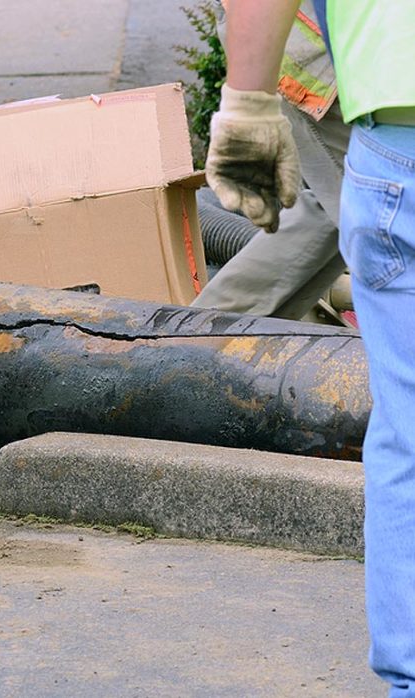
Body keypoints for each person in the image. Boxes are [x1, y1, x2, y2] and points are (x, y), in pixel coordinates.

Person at [207, 1, 415, 694]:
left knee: (409, 433)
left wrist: (244, 99)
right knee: (315, 223)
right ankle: (200, 347)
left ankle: (203, 340)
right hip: (329, 83)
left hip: (373, 100)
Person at [192, 1, 350, 320]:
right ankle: (199, 342)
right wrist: (248, 108)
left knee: (348, 204)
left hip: (308, 42)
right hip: (303, 45)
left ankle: (204, 340)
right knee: (370, 199)